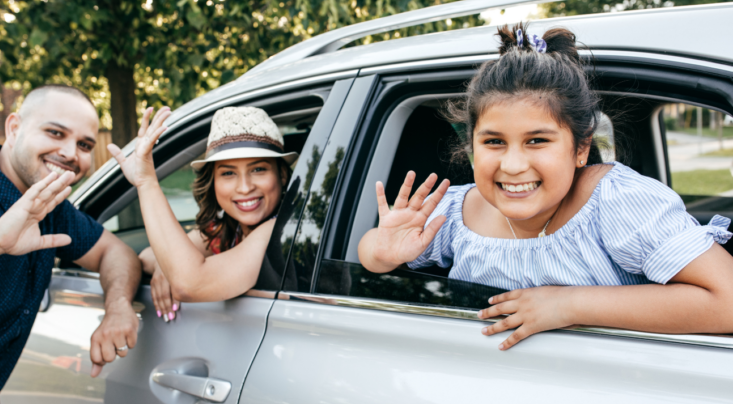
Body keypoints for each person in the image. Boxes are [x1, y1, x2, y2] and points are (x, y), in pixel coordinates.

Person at [358, 23, 733, 351]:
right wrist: (383, 250)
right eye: (493, 142)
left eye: (537, 141)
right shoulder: (455, 213)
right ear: (471, 148)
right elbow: (370, 257)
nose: (514, 165)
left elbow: (727, 301)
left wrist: (567, 305)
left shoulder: (617, 203)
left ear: (581, 148)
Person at [0, 85, 142, 404]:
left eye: (83, 143)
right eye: (55, 133)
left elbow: (116, 253)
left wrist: (117, 307)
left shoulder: (53, 209)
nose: (70, 153)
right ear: (14, 127)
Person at [109, 106, 295, 314]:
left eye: (258, 169)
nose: (244, 187)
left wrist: (146, 182)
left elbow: (189, 283)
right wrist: (166, 265)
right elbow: (145, 257)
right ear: (213, 182)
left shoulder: (278, 231)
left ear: (282, 175)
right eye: (228, 173)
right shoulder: (228, 231)